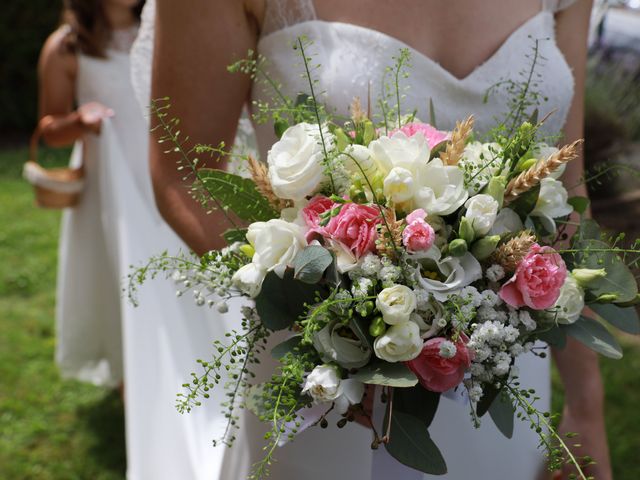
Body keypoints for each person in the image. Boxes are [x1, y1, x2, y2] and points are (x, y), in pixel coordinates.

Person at [146, 0, 613, 479]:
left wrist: (586, 407)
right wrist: (330, 306)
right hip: (329, 368)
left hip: (497, 371)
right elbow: (183, 178)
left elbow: (566, 195)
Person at [39, 1, 242, 479]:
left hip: (172, 189)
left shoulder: (169, 27)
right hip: (113, 192)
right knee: (124, 285)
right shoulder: (67, 48)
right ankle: (142, 387)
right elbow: (48, 127)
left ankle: (197, 377)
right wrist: (78, 120)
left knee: (188, 291)